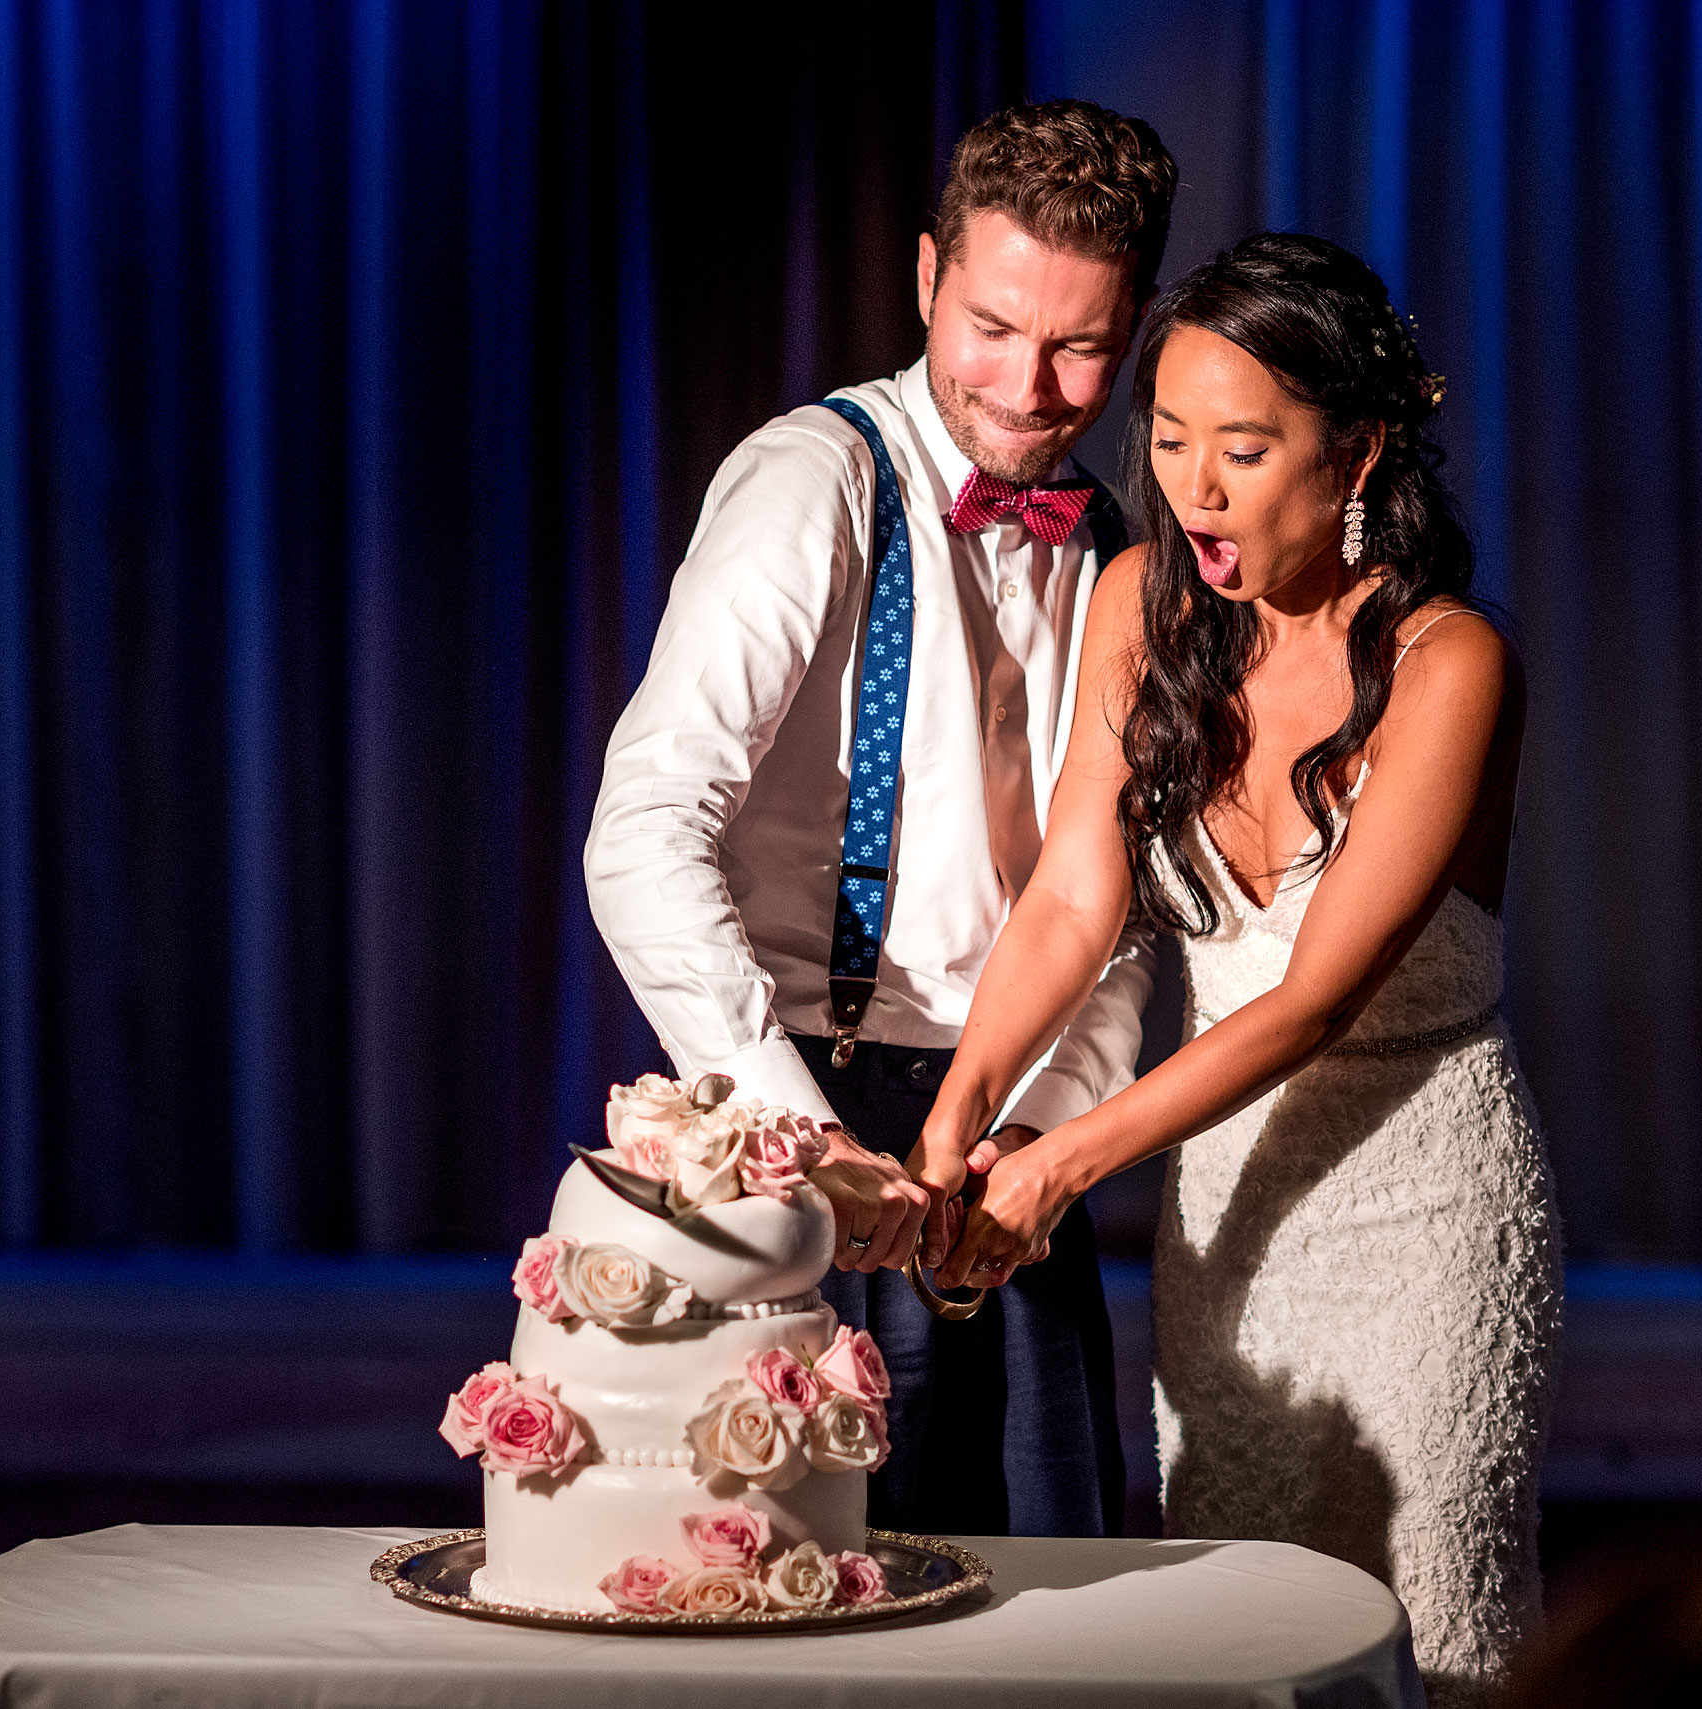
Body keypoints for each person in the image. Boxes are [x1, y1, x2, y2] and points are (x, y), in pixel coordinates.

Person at [912, 232, 1562, 1704]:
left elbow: (1315, 994)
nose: (1194, 485)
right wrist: (960, 1114)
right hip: (1228, 1219)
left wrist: (1064, 1158)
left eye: (1247, 448)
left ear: (1357, 452)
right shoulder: (1145, 598)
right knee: (1248, 1618)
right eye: (1170, 435)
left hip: (1428, 1202)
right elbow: (1076, 895)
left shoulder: (1452, 659)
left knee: (1433, 1612)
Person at [584, 100, 1176, 1538]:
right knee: (829, 1594)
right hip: (809, 1102)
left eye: (1081, 345)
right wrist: (800, 1132)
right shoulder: (817, 481)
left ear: (1140, 327)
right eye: (991, 326)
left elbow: (1115, 904)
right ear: (925, 278)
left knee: (1048, 1608)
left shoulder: (1124, 553)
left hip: (1011, 1150)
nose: (1029, 388)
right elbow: (644, 826)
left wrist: (1039, 1136)